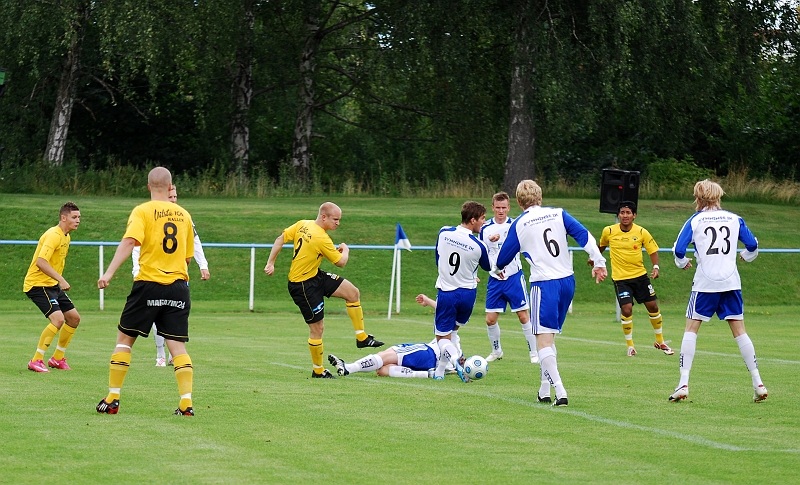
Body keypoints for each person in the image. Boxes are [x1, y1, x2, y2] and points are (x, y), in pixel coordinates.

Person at [495, 180, 607, 406]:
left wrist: (497, 270)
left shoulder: (519, 223)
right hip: (567, 281)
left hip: (544, 284)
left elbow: (503, 259)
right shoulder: (558, 213)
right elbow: (584, 235)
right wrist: (599, 260)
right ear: (541, 197)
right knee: (548, 337)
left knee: (543, 341)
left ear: (518, 202)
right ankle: (544, 390)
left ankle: (561, 391)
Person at [96, 167, 197, 416]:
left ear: (148, 186)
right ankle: (186, 403)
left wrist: (108, 273)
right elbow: (187, 258)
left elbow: (130, 242)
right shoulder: (184, 215)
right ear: (171, 186)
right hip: (178, 286)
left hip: (148, 284)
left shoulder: (142, 211)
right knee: (178, 346)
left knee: (124, 340)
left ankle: (113, 399)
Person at [669, 179, 767, 403]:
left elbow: (679, 249)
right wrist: (746, 255)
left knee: (691, 328)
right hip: (731, 282)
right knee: (740, 331)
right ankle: (758, 382)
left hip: (705, 283)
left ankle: (683, 383)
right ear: (718, 197)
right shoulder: (735, 218)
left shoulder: (695, 219)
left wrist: (682, 263)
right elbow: (752, 244)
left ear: (699, 198)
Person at [264, 202, 384, 379]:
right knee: (317, 329)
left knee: (353, 293)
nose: (338, 223)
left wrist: (270, 262)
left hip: (315, 276)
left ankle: (362, 338)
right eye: (335, 219)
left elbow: (280, 239)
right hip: (302, 286)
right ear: (324, 217)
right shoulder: (321, 237)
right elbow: (341, 262)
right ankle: (318, 371)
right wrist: (345, 250)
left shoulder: (303, 224)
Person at [132, 185, 210, 367]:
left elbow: (194, 241)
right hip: (152, 276)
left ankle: (173, 355)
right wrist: (137, 269)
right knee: (156, 316)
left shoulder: (183, 216)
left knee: (175, 317)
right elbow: (137, 245)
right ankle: (160, 353)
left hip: (177, 276)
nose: (174, 199)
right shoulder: (149, 214)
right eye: (171, 196)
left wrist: (203, 265)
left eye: (175, 196)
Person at [589, 201, 673, 356]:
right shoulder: (609, 231)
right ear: (618, 215)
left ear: (634, 215)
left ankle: (660, 341)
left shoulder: (641, 232)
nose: (625, 216)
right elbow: (601, 245)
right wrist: (595, 258)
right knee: (626, 309)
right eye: (622, 213)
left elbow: (652, 250)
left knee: (653, 306)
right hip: (621, 279)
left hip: (640, 277)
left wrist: (655, 267)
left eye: (628, 213)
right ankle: (630, 346)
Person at [431, 201, 493, 382]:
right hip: (467, 294)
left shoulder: (444, 232)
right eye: (482, 218)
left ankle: (456, 361)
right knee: (453, 332)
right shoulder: (478, 245)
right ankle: (440, 373)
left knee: (442, 337)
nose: (484, 222)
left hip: (447, 292)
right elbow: (488, 267)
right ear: (473, 220)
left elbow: (439, 259)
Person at [479, 191, 537, 364]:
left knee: (523, 316)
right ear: (493, 208)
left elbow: (524, 246)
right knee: (490, 319)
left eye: (504, 208)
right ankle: (496, 351)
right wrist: (490, 242)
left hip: (513, 277)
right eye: (498, 208)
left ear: (509, 208)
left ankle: (534, 352)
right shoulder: (485, 229)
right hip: (495, 280)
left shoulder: (516, 225)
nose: (501, 211)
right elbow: (481, 253)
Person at [24, 202, 82, 373]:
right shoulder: (53, 235)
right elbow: (41, 262)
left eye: (79, 217)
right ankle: (36, 360)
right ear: (63, 218)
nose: (78, 220)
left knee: (74, 318)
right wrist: (61, 279)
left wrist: (57, 281)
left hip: (51, 285)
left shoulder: (66, 236)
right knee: (58, 320)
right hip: (37, 284)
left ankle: (57, 359)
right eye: (74, 217)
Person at [327, 337, 441, 378]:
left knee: (384, 356)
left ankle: (348, 368)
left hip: (429, 351)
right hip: (431, 355)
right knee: (382, 370)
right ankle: (427, 374)